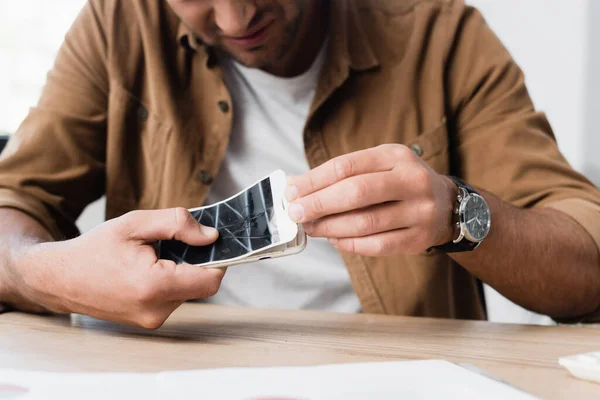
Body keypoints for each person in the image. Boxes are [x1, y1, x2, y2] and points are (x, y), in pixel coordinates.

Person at [0, 0, 598, 329]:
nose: (237, 20)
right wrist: (48, 273)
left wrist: (459, 213)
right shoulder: (116, 23)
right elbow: (13, 208)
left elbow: (587, 263)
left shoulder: (440, 34)